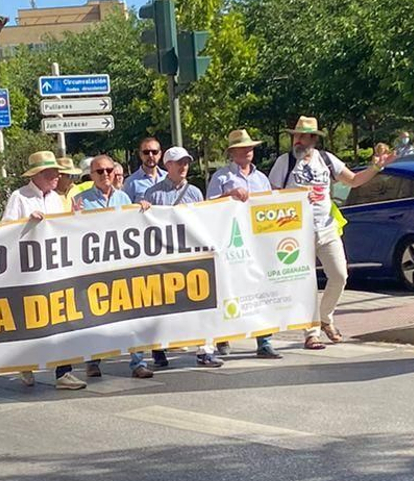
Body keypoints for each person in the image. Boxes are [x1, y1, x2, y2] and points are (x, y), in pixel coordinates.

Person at [267, 117, 382, 350]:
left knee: (340, 275)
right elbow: (271, 194)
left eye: (302, 136)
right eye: (295, 136)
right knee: (307, 282)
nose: (297, 141)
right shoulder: (285, 162)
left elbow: (353, 180)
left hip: (327, 227)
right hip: (297, 232)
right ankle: (311, 333)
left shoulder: (326, 159)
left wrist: (377, 167)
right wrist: (297, 196)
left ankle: (325, 318)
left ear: (313, 139)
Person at [1, 151, 86, 391]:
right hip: (29, 269)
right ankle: (24, 361)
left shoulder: (57, 199)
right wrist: (26, 221)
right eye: (51, 173)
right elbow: (3, 231)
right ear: (37, 175)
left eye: (58, 173)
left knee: (60, 316)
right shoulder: (20, 197)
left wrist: (74, 218)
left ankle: (64, 371)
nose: (57, 177)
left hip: (55, 267)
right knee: (30, 317)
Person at [139, 148, 220, 371]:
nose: (183, 166)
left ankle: (206, 350)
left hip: (191, 257)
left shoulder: (194, 192)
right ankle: (159, 347)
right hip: (164, 258)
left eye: (186, 162)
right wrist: (143, 209)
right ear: (167, 166)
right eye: (178, 163)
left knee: (202, 302)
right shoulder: (153, 194)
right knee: (163, 305)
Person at [206, 130, 280, 361]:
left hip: (257, 240)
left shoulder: (261, 178)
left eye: (250, 147)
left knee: (260, 288)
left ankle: (264, 340)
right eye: (243, 148)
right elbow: (208, 208)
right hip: (230, 240)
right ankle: (223, 336)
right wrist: (229, 195)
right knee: (229, 288)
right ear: (233, 152)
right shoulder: (220, 177)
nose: (248, 151)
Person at [71, 154, 130, 379]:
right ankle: (92, 360)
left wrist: (143, 209)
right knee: (92, 315)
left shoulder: (124, 198)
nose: (105, 175)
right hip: (93, 267)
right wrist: (73, 216)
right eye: (100, 171)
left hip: (120, 265)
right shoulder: (81, 200)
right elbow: (71, 230)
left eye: (109, 170)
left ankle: (136, 361)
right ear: (91, 175)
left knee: (130, 313)